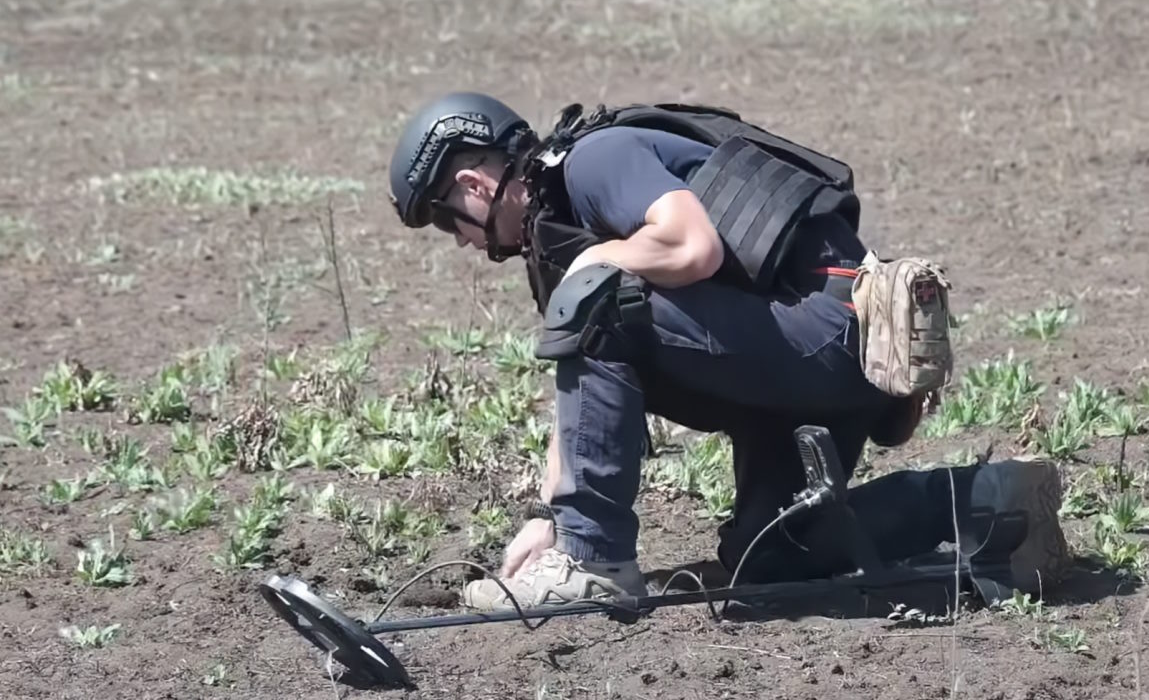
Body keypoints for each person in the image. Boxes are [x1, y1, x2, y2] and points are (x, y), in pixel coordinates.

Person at [386, 91, 1072, 611]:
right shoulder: (559, 239)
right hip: (789, 355)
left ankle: (596, 565)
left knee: (596, 299)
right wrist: (549, 521)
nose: (461, 241)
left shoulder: (594, 161)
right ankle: (987, 501)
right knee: (769, 553)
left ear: (473, 188)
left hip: (834, 327)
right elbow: (582, 390)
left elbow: (691, 244)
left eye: (448, 222)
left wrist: (595, 263)